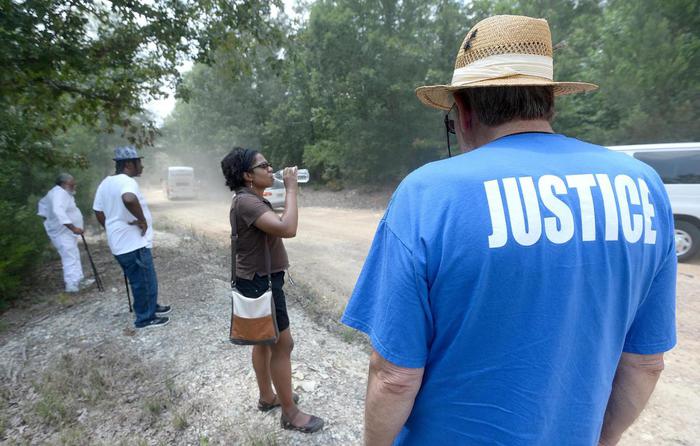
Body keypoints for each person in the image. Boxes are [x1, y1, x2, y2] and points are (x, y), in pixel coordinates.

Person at [341, 15, 676, 446]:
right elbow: (646, 363)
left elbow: (394, 376)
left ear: (462, 112)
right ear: (549, 103)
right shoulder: (642, 185)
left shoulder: (428, 193)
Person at [221, 147, 324, 433]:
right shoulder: (247, 202)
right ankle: (290, 413)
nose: (271, 169)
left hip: (255, 278)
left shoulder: (249, 199)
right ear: (247, 175)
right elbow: (287, 228)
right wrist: (291, 189)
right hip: (260, 281)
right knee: (282, 343)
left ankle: (268, 397)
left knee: (264, 340)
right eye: (264, 166)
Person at [93, 146, 171, 329]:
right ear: (129, 164)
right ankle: (145, 318)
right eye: (139, 163)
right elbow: (128, 199)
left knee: (143, 279)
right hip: (132, 243)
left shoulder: (106, 183)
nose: (142, 166)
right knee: (143, 280)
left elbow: (98, 210)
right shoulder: (126, 182)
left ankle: (150, 306)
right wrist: (142, 220)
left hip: (121, 242)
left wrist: (111, 227)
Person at [37, 173, 93, 293]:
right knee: (69, 256)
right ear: (64, 184)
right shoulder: (58, 193)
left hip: (65, 232)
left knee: (74, 254)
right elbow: (58, 211)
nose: (75, 185)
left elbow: (43, 209)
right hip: (61, 233)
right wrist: (73, 227)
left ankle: (79, 280)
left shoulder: (63, 193)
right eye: (72, 183)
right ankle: (72, 285)